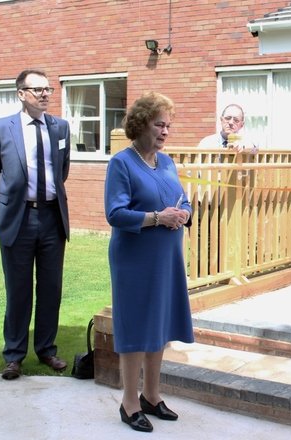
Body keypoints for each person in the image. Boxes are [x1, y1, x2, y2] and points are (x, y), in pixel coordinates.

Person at [104, 92, 194, 432]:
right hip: (134, 259)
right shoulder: (121, 163)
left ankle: (152, 395)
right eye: (159, 124)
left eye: (169, 125)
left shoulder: (167, 162)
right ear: (141, 124)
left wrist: (185, 211)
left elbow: (182, 198)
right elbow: (115, 213)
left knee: (159, 323)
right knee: (136, 325)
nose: (165, 131)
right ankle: (129, 402)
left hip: (166, 258)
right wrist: (158, 217)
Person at [0, 69, 71, 380]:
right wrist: (9, 201)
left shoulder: (61, 127)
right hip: (18, 219)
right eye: (36, 89)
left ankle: (47, 349)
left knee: (51, 288)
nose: (44, 94)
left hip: (52, 217)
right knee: (18, 289)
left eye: (47, 89)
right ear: (21, 94)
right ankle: (14, 355)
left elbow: (61, 170)